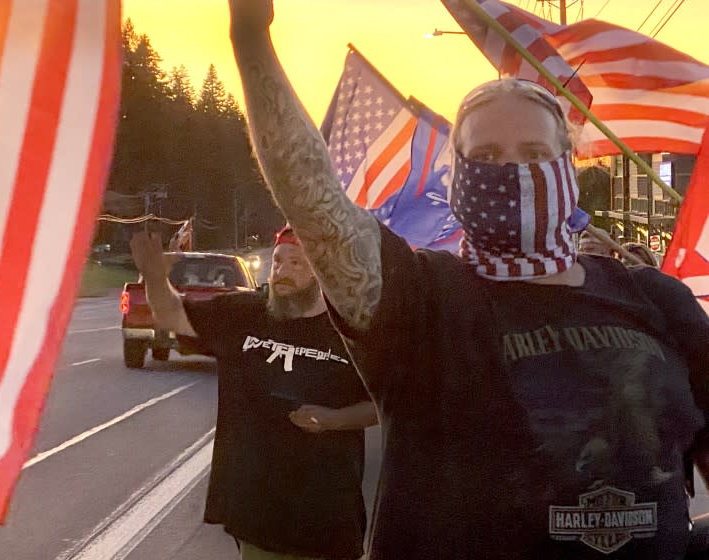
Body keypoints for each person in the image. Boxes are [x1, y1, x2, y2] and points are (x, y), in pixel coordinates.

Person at [227, 2, 709, 558]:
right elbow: (315, 203)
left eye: (533, 153)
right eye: (486, 156)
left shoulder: (655, 300)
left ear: (567, 167)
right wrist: (250, 41)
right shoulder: (418, 298)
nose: (510, 171)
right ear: (456, 181)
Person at [130, 226, 378, 560]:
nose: (282, 272)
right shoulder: (243, 313)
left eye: (296, 263)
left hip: (325, 513)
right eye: (278, 261)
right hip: (256, 509)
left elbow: (385, 404)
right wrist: (155, 276)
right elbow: (172, 314)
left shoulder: (350, 331)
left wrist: (334, 420)